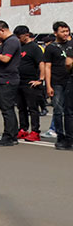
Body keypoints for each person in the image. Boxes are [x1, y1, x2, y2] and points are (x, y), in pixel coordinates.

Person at [0, 20, 22, 147]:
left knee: (7, 108)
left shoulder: (11, 41)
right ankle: (12, 134)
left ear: (2, 30)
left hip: (6, 79)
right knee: (7, 108)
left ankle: (9, 136)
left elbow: (6, 58)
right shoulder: (8, 41)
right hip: (3, 78)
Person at [43, 21, 73, 150]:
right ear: (55, 33)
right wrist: (48, 86)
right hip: (57, 82)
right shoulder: (51, 48)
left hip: (70, 81)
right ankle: (60, 136)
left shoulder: (72, 44)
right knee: (58, 110)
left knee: (69, 111)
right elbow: (47, 67)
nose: (66, 34)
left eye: (67, 31)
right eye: (63, 31)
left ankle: (70, 137)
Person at [14, 26, 44, 142]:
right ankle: (23, 128)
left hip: (31, 82)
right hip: (18, 81)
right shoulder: (19, 47)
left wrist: (40, 80)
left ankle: (35, 131)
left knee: (33, 108)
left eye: (19, 36)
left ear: (26, 35)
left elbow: (42, 63)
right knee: (21, 107)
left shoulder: (34, 48)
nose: (18, 39)